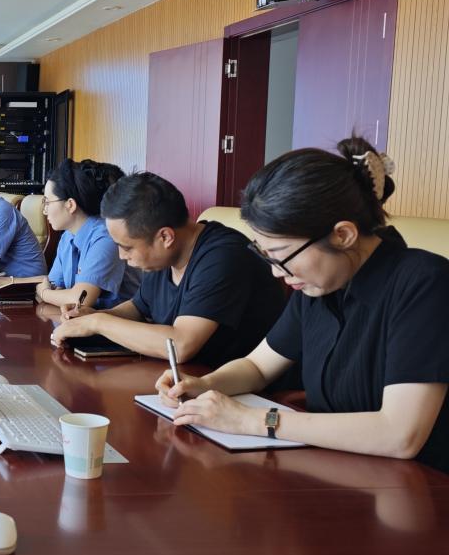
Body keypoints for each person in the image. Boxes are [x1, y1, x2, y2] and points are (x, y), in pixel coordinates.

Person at [156, 138, 449, 471]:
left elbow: (399, 434)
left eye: (281, 256)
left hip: (417, 485)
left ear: (343, 235)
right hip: (333, 469)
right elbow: (257, 368)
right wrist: (204, 386)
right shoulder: (320, 285)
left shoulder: (425, 284)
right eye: (266, 256)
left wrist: (255, 420)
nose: (276, 272)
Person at [51, 171, 285, 365]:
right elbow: (137, 308)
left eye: (127, 247)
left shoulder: (224, 256)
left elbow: (181, 345)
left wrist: (99, 323)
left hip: (244, 391)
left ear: (165, 237)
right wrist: (90, 317)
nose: (122, 256)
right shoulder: (167, 256)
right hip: (184, 381)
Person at [32, 159, 139, 310]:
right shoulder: (67, 236)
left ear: (70, 205)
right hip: (85, 320)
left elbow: (80, 300)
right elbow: (53, 285)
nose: (44, 210)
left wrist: (45, 293)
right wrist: (54, 293)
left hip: (122, 321)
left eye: (47, 202)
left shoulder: (105, 236)